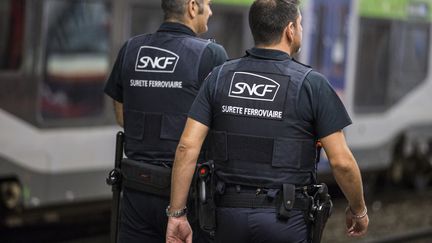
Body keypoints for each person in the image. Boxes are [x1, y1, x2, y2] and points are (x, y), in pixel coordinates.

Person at [165, 0, 369, 242]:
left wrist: (177, 215)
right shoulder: (312, 84)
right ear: (290, 30)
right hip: (286, 219)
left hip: (226, 217)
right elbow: (342, 162)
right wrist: (359, 209)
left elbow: (187, 147)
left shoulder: (219, 77)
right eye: (301, 24)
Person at [104, 0, 228, 242]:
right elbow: (223, 125)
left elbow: (122, 116)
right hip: (186, 194)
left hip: (136, 189)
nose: (211, 11)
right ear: (193, 6)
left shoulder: (130, 48)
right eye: (208, 4)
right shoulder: (211, 54)